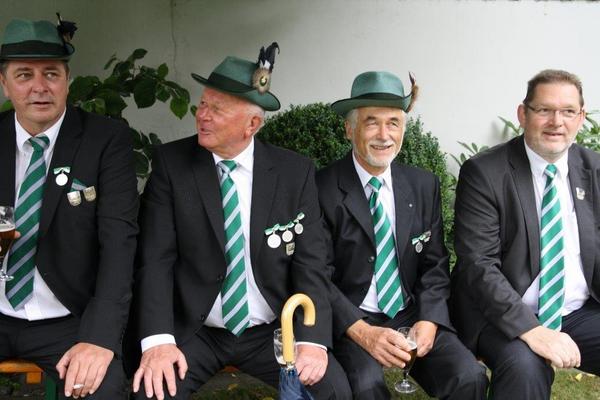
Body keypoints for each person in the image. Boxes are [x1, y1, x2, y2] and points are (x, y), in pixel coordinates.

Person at [130, 48, 351, 400]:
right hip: (196, 329)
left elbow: (311, 262)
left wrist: (312, 340)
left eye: (217, 110)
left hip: (272, 330)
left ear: (252, 125)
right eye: (203, 104)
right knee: (152, 394)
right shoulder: (172, 166)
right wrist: (158, 340)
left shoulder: (294, 173)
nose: (202, 116)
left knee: (333, 391)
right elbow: (156, 259)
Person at [317, 70, 488, 399]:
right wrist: (362, 332)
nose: (384, 135)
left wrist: (430, 318)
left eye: (393, 123)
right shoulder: (321, 188)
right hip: (352, 317)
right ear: (350, 129)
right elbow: (316, 275)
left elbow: (435, 264)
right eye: (372, 122)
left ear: (403, 129)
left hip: (410, 312)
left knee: (469, 377)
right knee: (365, 388)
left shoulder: (423, 184)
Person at [0, 17, 138, 399]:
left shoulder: (105, 140)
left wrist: (99, 338)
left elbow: (119, 243)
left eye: (51, 74)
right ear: (5, 83)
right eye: (24, 75)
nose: (39, 87)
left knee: (101, 390)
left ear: (67, 80)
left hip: (68, 319)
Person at [451, 69, 600, 399]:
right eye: (544, 110)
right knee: (525, 368)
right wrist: (531, 329)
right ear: (523, 114)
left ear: (581, 118)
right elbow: (478, 265)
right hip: (501, 314)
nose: (556, 122)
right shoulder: (484, 173)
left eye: (568, 111)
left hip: (575, 310)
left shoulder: (595, 170)